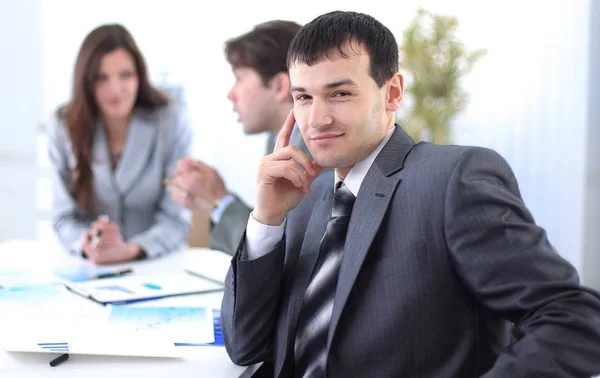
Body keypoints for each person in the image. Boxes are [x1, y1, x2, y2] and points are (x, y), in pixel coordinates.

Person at [220, 11, 600, 377]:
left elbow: (574, 316)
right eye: (303, 97)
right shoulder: (306, 199)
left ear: (393, 93)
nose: (316, 120)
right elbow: (246, 347)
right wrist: (265, 222)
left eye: (339, 94)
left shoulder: (452, 180)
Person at [47, 24, 192, 264]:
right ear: (86, 82)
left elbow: (176, 219)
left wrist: (132, 249)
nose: (115, 89)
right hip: (88, 265)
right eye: (101, 78)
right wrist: (87, 243)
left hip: (156, 263)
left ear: (140, 76)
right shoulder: (63, 125)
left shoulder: (171, 121)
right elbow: (62, 216)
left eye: (126, 75)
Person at [169, 20, 310, 255]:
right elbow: (271, 226)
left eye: (240, 78)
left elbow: (278, 253)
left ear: (279, 86)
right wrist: (214, 200)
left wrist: (218, 201)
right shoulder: (281, 141)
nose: (231, 94)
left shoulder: (311, 153)